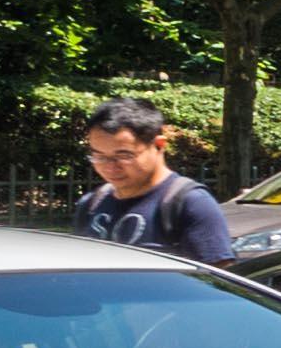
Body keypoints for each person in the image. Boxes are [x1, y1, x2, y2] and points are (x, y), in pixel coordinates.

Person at [75, 98, 237, 265]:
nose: (110, 167)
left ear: (159, 145)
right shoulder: (91, 204)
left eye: (123, 156)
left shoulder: (191, 204)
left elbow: (217, 284)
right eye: (99, 156)